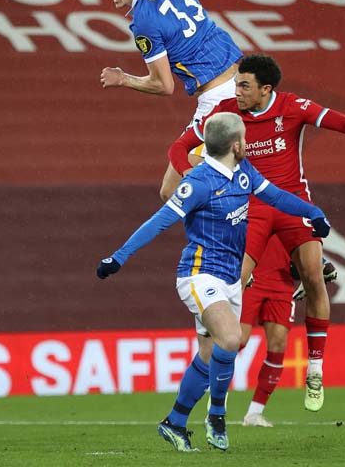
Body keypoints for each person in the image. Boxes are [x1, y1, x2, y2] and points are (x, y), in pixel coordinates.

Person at [168, 53, 345, 411]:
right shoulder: (226, 112)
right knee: (232, 282)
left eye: (244, 86)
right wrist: (187, 172)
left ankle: (315, 369)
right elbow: (178, 147)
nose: (237, 92)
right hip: (253, 208)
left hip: (292, 203)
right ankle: (212, 350)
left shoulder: (293, 107)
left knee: (313, 276)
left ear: (266, 89)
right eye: (236, 84)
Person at [96, 112, 330, 453]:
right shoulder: (198, 183)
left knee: (208, 356)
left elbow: (277, 197)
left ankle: (174, 422)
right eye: (244, 139)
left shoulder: (244, 171)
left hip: (230, 279)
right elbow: (159, 221)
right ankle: (217, 416)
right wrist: (118, 257)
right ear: (236, 145)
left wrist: (313, 212)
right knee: (231, 338)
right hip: (198, 275)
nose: (247, 143)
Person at [91, 0, 274, 200]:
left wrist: (123, 79)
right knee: (230, 176)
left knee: (173, 191)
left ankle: (238, 217)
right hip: (243, 82)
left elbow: (163, 85)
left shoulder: (144, 21)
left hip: (218, 101)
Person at [240, 238, 338, 427]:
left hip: (281, 280)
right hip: (251, 274)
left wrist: (319, 264)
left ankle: (254, 413)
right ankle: (215, 407)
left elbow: (302, 235)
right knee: (236, 340)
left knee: (278, 345)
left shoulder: (301, 216)